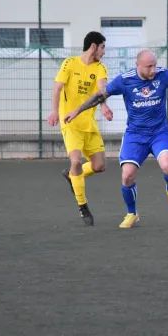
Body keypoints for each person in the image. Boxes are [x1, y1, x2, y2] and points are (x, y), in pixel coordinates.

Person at [64, 49, 168, 228]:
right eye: (149, 67)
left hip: (159, 133)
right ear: (138, 65)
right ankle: (132, 214)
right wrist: (77, 111)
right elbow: (100, 95)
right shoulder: (124, 80)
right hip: (135, 135)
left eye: (155, 65)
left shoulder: (164, 76)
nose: (153, 70)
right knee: (127, 176)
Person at [47, 31, 113, 226]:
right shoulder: (69, 63)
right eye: (102, 47)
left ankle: (71, 175)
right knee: (76, 161)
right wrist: (53, 111)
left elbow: (101, 90)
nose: (104, 52)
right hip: (70, 123)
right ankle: (83, 206)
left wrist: (104, 106)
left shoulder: (100, 68)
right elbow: (58, 88)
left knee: (99, 166)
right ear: (93, 46)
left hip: (89, 125)